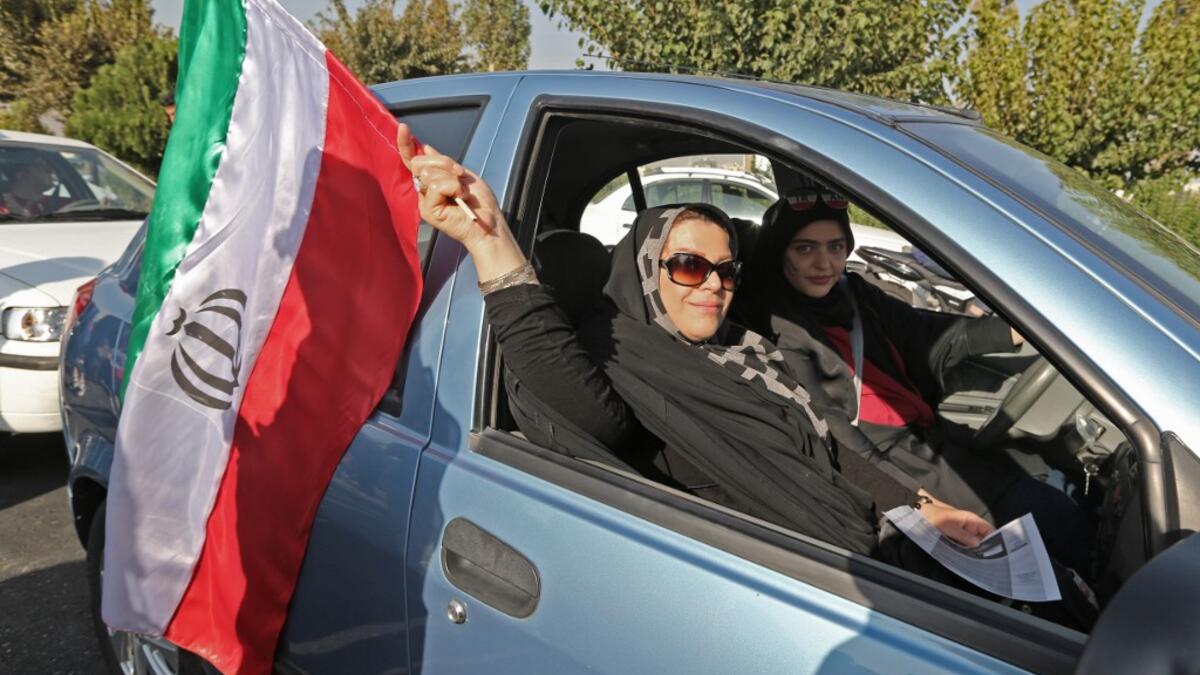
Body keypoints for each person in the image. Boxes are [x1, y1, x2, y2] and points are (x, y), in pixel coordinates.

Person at [396, 123, 999, 555]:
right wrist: (490, 240)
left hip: (855, 530)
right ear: (647, 271)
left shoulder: (748, 350)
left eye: (727, 269)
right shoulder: (621, 353)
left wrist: (921, 507)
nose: (713, 285)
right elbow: (589, 412)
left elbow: (831, 445)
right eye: (687, 265)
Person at [736, 195, 1092, 572]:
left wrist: (1018, 330)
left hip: (932, 443)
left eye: (835, 247)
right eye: (805, 248)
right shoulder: (780, 331)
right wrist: (919, 504)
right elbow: (837, 439)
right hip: (900, 469)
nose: (824, 263)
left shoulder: (854, 294)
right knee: (1062, 526)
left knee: (1060, 493)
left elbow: (929, 334)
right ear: (780, 252)